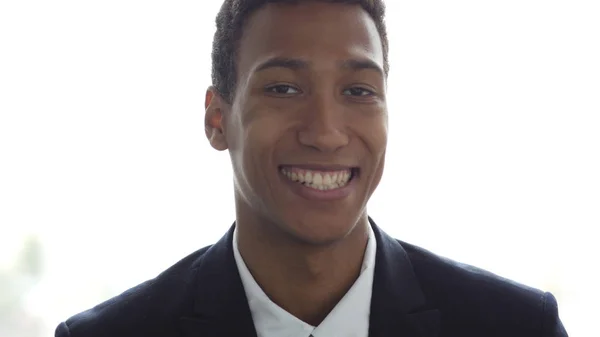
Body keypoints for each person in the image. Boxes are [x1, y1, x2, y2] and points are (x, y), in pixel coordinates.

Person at [55, 1, 568, 336]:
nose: (325, 132)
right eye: (283, 88)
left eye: (358, 91)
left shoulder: (515, 326)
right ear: (217, 119)